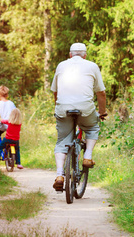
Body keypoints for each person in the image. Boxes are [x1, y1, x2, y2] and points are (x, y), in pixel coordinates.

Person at [50, 43, 107, 192]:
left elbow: (55, 92)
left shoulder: (61, 66)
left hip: (63, 108)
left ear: (70, 55)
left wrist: (58, 107)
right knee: (93, 127)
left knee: (62, 140)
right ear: (85, 55)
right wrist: (102, 112)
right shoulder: (92, 66)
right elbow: (101, 93)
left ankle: (59, 175)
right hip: (85, 109)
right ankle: (87, 156)